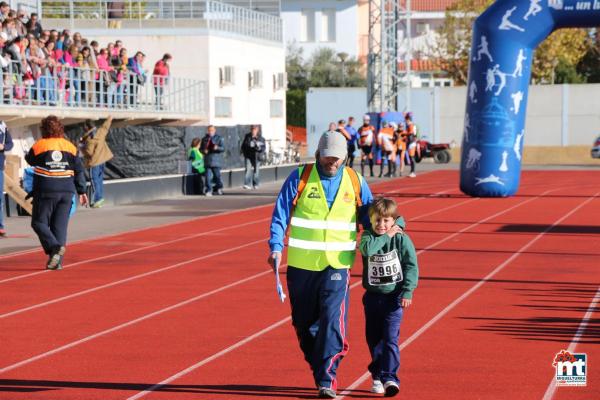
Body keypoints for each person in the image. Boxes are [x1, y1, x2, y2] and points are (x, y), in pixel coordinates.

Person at [268, 130, 374, 398]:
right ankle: (320, 366)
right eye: (328, 158)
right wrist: (276, 247)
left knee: (332, 321)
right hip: (302, 266)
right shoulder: (301, 178)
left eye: (337, 159)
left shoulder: (355, 181)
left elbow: (376, 214)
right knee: (304, 325)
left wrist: (396, 226)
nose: (332, 163)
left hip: (337, 265)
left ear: (346, 158)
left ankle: (327, 377)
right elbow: (281, 213)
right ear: (318, 154)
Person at [359, 197, 418, 397]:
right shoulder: (367, 237)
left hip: (394, 298)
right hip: (372, 298)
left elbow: (411, 265)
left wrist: (408, 290)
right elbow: (367, 250)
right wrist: (386, 236)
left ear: (393, 221)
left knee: (391, 338)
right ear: (371, 220)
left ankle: (391, 377)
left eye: (386, 221)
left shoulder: (402, 239)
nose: (381, 225)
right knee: (374, 340)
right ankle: (377, 374)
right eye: (377, 221)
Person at [25, 116, 88, 269]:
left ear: (43, 129)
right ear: (61, 129)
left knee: (39, 223)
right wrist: (82, 191)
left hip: (46, 190)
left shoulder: (39, 145)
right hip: (67, 191)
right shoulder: (70, 147)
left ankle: (54, 247)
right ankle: (56, 261)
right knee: (59, 228)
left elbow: (30, 160)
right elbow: (79, 170)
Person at [80, 117, 113, 208]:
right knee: (99, 180)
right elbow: (105, 127)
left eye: (84, 126)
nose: (83, 127)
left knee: (94, 181)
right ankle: (100, 198)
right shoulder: (100, 132)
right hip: (102, 161)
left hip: (94, 162)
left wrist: (81, 147)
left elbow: (89, 152)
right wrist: (110, 118)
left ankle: (97, 199)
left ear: (87, 127)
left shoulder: (89, 139)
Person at [200, 125, 224, 196]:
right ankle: (209, 190)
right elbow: (200, 149)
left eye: (212, 130)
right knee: (207, 177)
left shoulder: (219, 138)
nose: (210, 132)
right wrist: (204, 151)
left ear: (215, 130)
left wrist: (217, 148)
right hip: (207, 161)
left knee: (217, 176)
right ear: (207, 131)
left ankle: (219, 188)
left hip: (216, 161)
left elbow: (223, 148)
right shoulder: (204, 139)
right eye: (209, 130)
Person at [241, 124, 265, 190]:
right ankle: (247, 184)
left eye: (254, 129)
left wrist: (259, 148)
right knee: (248, 169)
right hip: (249, 156)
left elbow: (263, 148)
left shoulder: (261, 138)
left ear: (257, 130)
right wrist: (246, 150)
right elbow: (243, 146)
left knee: (256, 171)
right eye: (252, 129)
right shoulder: (247, 137)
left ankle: (256, 184)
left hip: (257, 157)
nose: (253, 131)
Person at [0, 120, 13, 237]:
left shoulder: (3, 126)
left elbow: (10, 143)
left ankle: (0, 227)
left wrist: (3, 146)